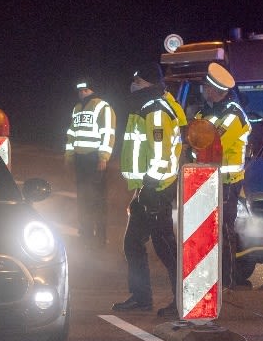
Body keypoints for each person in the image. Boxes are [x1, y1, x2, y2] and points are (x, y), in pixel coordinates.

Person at [113, 63, 182, 317]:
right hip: (146, 188)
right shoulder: (145, 107)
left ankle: (183, 301)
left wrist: (150, 186)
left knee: (165, 247)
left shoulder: (155, 111)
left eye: (138, 81)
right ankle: (141, 297)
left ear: (149, 85)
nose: (133, 85)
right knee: (133, 242)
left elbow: (162, 157)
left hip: (157, 188)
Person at [189, 63, 251, 287]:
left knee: (224, 230)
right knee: (208, 231)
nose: (203, 90)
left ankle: (229, 279)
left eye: (206, 87)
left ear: (216, 90)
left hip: (226, 182)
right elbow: (192, 141)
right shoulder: (205, 112)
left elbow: (212, 142)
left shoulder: (233, 115)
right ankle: (212, 275)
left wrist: (194, 140)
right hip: (205, 180)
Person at [64, 77, 116, 247]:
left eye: (86, 90)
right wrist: (69, 154)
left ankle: (100, 237)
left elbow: (108, 133)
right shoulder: (77, 108)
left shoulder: (103, 107)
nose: (82, 94)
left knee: (98, 199)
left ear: (93, 90)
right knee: (83, 198)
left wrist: (103, 157)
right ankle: (85, 232)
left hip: (95, 160)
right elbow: (72, 133)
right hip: (80, 160)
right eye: (80, 91)